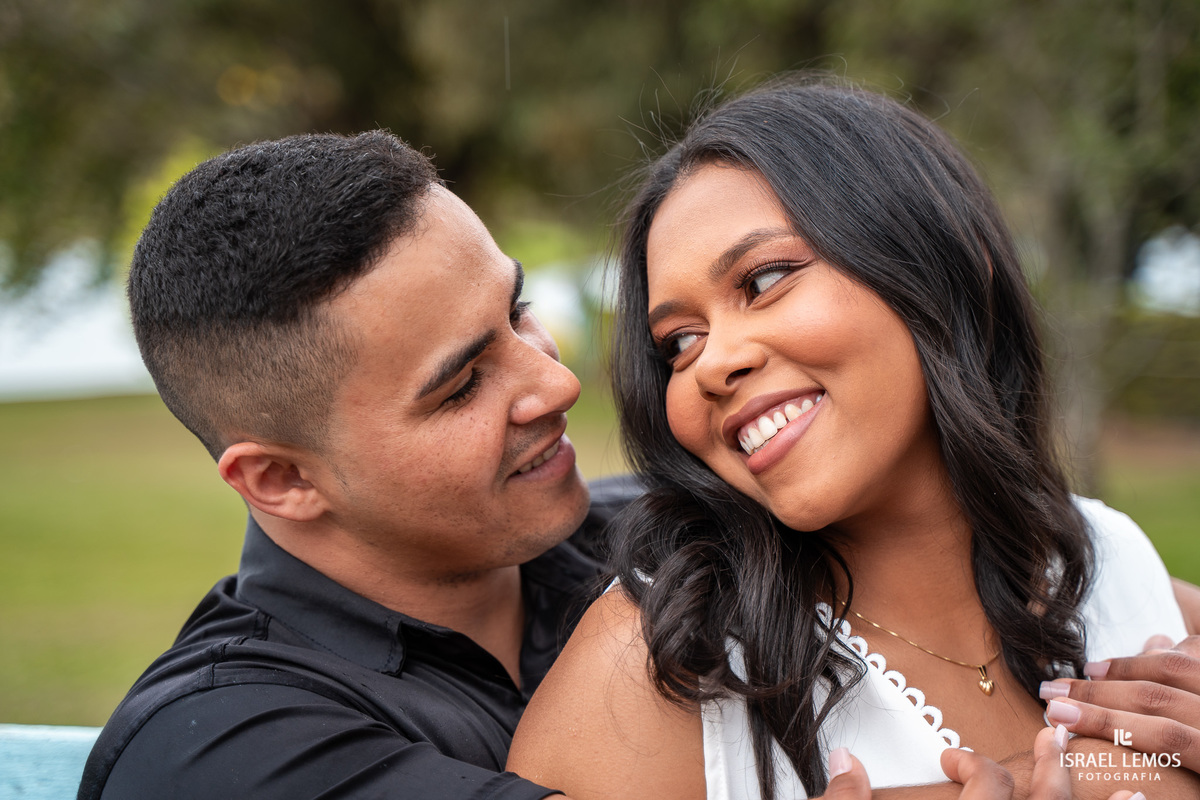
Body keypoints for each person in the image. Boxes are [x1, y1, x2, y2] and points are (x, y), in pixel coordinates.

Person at [506, 77, 1196, 800]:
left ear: (949, 263)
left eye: (765, 278)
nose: (711, 364)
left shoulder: (1115, 569)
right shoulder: (655, 678)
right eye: (679, 341)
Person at [77, 130, 633, 800]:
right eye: (461, 386)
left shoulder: (666, 529)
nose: (557, 384)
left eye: (518, 313)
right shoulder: (222, 750)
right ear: (282, 480)